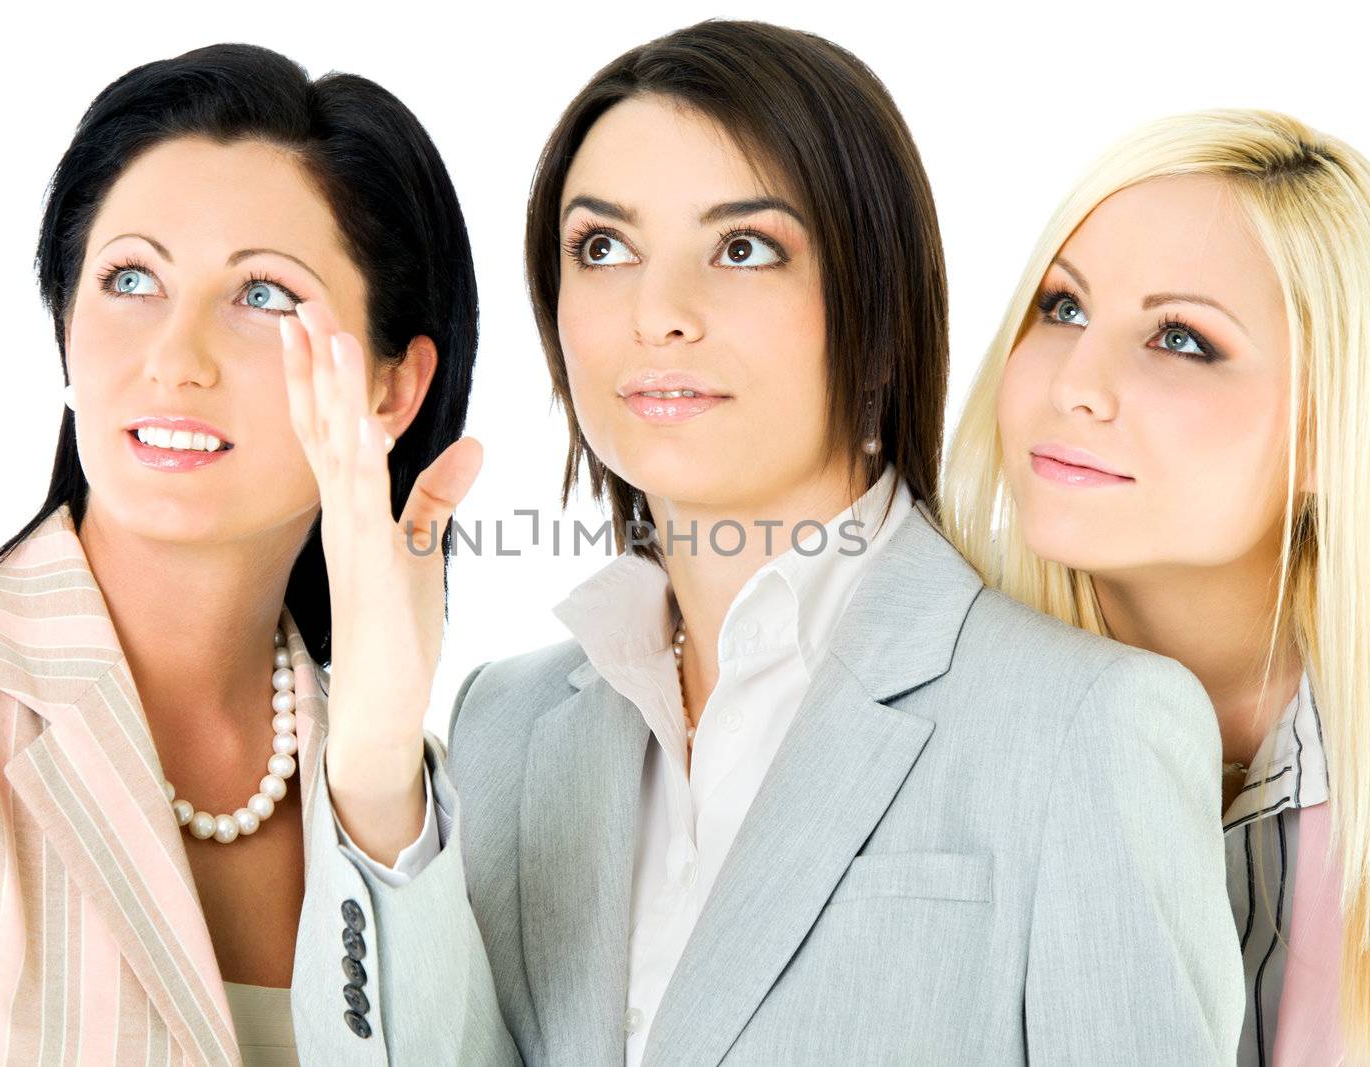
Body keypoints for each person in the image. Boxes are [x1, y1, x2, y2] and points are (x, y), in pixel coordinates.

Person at [290, 20, 1243, 1065]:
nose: (658, 312)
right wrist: (378, 762)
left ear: (877, 313)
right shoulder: (505, 725)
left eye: (743, 248)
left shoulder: (1084, 727)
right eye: (602, 247)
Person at [0, 43, 479, 1065]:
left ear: (394, 390)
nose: (174, 358)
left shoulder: (414, 796)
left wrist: (377, 762)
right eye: (130, 277)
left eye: (264, 295)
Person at [942, 108, 1370, 1064]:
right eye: (1064, 307)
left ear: (1334, 427)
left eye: (1180, 339)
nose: (1075, 383)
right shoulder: (920, 709)